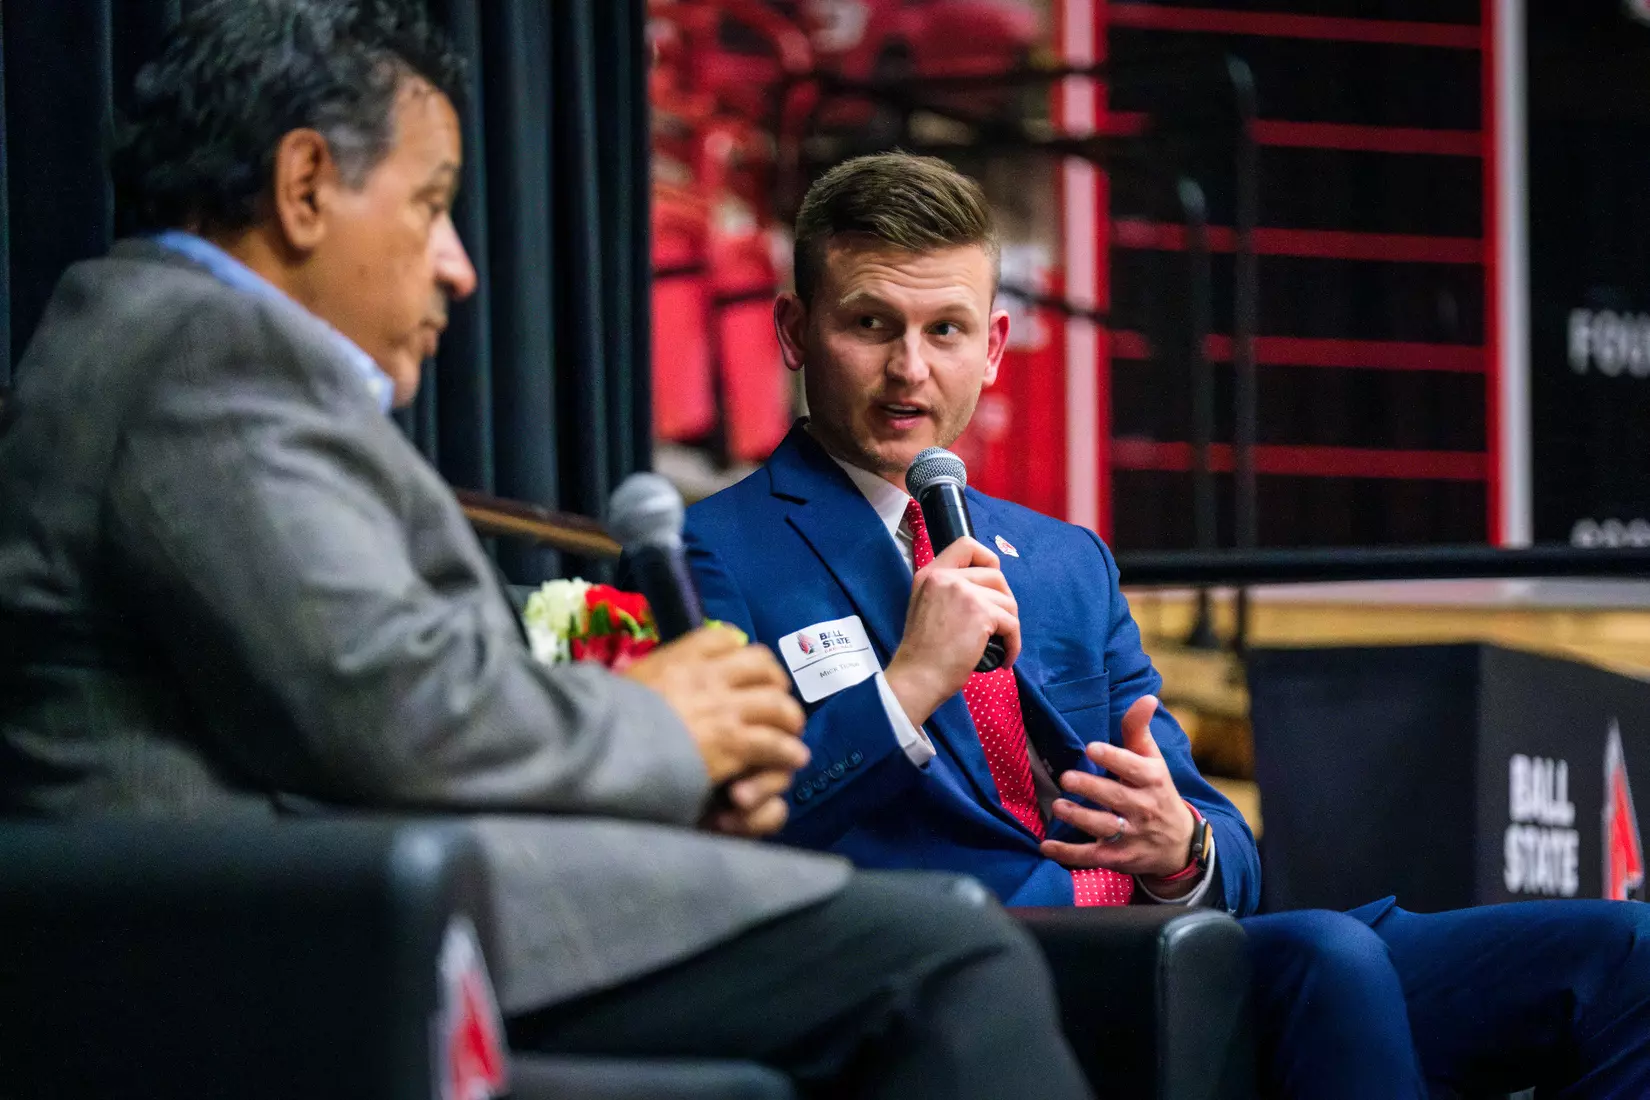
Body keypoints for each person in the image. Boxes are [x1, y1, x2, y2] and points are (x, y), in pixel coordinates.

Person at [0, 8, 1094, 1098]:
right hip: (287, 930)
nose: (460, 268)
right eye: (431, 206)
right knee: (948, 958)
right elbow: (397, 707)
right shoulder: (207, 358)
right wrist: (671, 723)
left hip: (332, 891)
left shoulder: (155, 340)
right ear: (304, 188)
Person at [683, 151, 1650, 1099]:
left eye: (946, 329)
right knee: (1328, 956)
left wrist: (1182, 846)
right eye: (870, 325)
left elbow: (1227, 843)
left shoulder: (1066, 559)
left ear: (994, 346)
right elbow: (721, 831)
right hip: (964, 963)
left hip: (1154, 935)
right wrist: (906, 688)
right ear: (796, 331)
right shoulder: (717, 549)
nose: (910, 369)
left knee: (1624, 953)